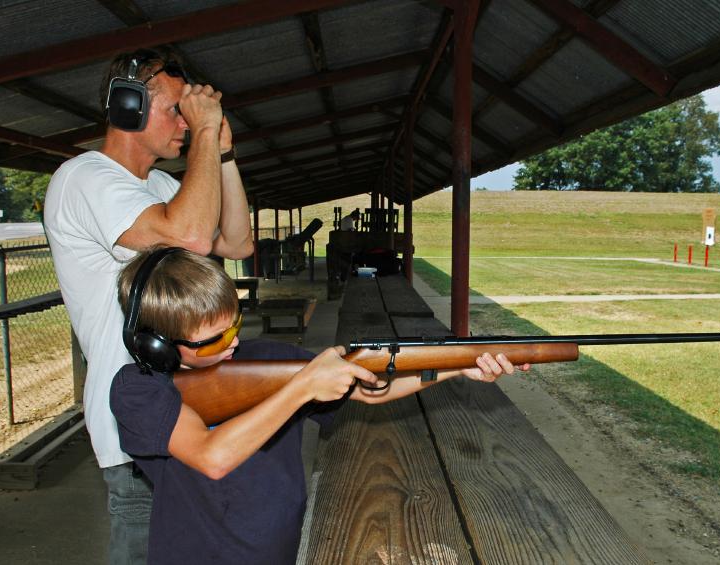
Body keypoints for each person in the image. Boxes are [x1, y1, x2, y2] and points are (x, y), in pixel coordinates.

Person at [110, 247, 526, 564]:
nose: (233, 342)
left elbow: (367, 389)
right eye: (214, 340)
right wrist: (303, 386)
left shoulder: (266, 360)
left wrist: (458, 366)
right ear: (157, 343)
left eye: (234, 325)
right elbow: (211, 457)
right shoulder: (139, 391)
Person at [43, 47, 253, 563]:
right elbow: (191, 235)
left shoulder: (158, 186)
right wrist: (203, 132)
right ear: (128, 106)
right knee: (143, 550)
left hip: (184, 405)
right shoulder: (84, 177)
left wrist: (222, 154)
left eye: (189, 112)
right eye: (175, 109)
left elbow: (237, 241)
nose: (185, 122)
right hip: (132, 420)